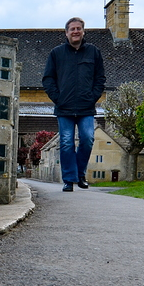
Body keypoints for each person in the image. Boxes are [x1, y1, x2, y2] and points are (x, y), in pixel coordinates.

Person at [42, 17, 106, 192]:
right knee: (67, 142)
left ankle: (80, 175)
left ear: (83, 31)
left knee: (87, 139)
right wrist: (58, 98)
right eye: (72, 29)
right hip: (64, 107)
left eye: (79, 28)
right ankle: (69, 180)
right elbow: (48, 79)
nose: (76, 31)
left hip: (86, 107)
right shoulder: (57, 53)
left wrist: (93, 97)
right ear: (67, 33)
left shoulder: (94, 52)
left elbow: (100, 78)